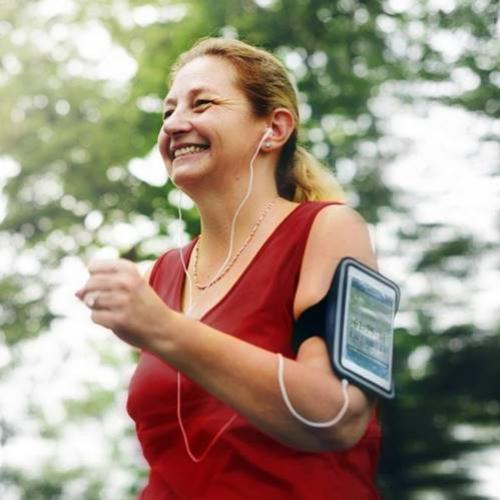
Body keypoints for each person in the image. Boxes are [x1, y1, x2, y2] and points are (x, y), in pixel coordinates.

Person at [76, 37, 382, 499]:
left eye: (203, 104)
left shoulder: (331, 229)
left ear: (274, 129)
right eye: (167, 112)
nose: (176, 124)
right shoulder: (161, 275)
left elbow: (339, 416)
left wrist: (163, 329)